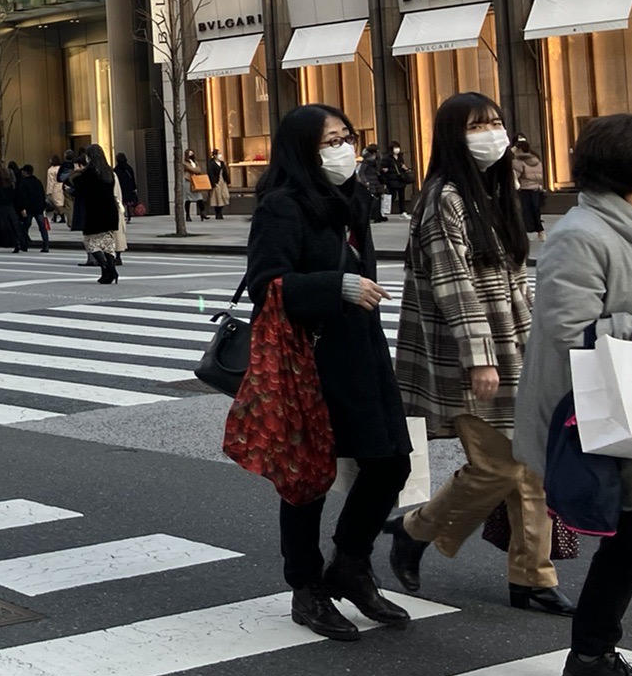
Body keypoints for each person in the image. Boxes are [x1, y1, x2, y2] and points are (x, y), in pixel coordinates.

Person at [386, 93, 567, 616]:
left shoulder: (493, 191)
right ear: (451, 137)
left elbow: (515, 280)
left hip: (514, 346)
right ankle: (414, 530)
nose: (491, 132)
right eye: (477, 125)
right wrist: (479, 357)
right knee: (498, 467)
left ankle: (532, 576)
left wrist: (539, 343)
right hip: (468, 355)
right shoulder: (444, 197)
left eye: (495, 121)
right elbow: (453, 284)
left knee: (530, 467)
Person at [245, 103, 413, 643]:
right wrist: (333, 288)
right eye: (329, 141)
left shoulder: (352, 200)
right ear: (301, 150)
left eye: (346, 135)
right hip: (309, 356)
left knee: (391, 462)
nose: (343, 148)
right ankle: (306, 587)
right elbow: (265, 283)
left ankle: (351, 562)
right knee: (306, 477)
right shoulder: (281, 206)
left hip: (361, 350)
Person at [515, 114, 632, 676]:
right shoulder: (582, 233)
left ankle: (592, 649)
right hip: (612, 412)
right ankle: (591, 651)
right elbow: (570, 331)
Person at [75, 145, 124, 284]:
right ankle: (110, 270)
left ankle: (106, 267)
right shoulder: (108, 171)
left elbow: (80, 188)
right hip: (109, 209)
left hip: (95, 210)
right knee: (107, 242)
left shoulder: (89, 172)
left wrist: (76, 174)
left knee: (91, 242)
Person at [512, 136, 546, 242]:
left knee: (523, 212)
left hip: (524, 189)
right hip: (535, 188)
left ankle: (523, 234)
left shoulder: (519, 161)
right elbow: (540, 175)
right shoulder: (536, 159)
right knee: (536, 211)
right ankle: (541, 232)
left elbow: (515, 176)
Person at [15, 161, 52, 253]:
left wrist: (22, 208)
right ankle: (46, 245)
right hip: (39, 208)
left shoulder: (23, 183)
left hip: (28, 208)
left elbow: (22, 196)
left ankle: (24, 245)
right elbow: (42, 195)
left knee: (25, 227)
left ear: (25, 172)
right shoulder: (38, 182)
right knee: (42, 227)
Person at [205, 148, 231, 219]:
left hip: (223, 181)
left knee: (225, 195)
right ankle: (218, 213)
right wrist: (213, 183)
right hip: (216, 182)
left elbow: (225, 173)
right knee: (217, 197)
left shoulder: (222, 163)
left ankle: (220, 211)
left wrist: (228, 181)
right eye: (219, 154)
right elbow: (211, 174)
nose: (221, 155)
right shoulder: (212, 164)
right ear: (215, 155)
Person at [184, 149, 208, 221]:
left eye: (192, 153)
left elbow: (199, 169)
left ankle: (202, 213)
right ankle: (188, 215)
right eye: (190, 154)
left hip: (196, 180)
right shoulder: (185, 162)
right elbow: (192, 169)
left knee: (199, 197)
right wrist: (196, 169)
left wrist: (196, 169)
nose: (191, 155)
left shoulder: (195, 162)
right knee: (188, 199)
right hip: (188, 180)